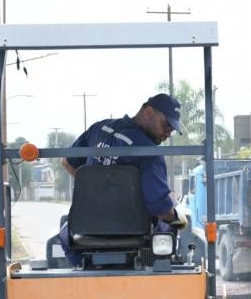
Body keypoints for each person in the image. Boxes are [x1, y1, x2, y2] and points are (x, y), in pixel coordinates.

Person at [59, 94, 189, 264]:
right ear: (148, 112)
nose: (168, 132)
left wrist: (92, 186)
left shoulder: (99, 129)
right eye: (166, 125)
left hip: (87, 228)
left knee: (64, 233)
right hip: (134, 231)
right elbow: (159, 207)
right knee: (167, 229)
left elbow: (66, 161)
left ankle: (84, 270)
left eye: (171, 129)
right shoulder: (149, 153)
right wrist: (177, 217)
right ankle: (153, 270)